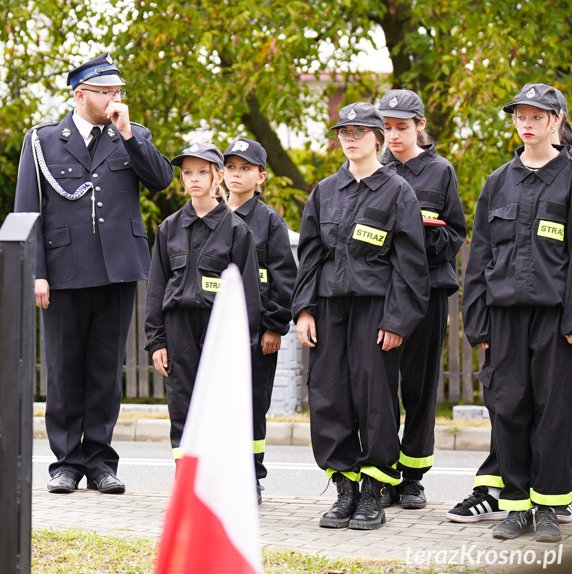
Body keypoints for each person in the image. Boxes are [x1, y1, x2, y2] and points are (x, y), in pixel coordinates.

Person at [13, 53, 173, 495]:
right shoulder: (42, 140)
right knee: (64, 368)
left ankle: (101, 460)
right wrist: (36, 272)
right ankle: (66, 461)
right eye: (105, 92)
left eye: (117, 91)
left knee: (105, 367)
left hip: (117, 270)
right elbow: (28, 208)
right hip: (63, 270)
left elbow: (161, 180)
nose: (113, 99)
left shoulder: (131, 135)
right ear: (81, 94)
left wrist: (127, 133)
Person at [292, 102, 428, 530]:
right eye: (343, 133)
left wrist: (397, 320)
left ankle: (373, 492)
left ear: (378, 138)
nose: (349, 139)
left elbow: (411, 264)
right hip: (330, 309)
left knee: (375, 400)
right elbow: (310, 257)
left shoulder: (396, 192)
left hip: (375, 310)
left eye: (358, 132)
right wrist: (304, 310)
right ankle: (345, 490)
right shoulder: (324, 191)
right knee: (330, 398)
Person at [446, 86, 572, 526]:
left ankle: (550, 507)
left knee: (554, 412)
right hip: (503, 318)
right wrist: (477, 324)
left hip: (555, 318)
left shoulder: (570, 177)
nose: (527, 123)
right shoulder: (497, 182)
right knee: (509, 408)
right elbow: (479, 257)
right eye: (521, 115)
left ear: (556, 120)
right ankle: (516, 508)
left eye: (537, 116)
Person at [144, 143, 261, 468]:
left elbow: (248, 296)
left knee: (218, 406)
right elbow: (156, 290)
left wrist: (242, 347)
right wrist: (157, 342)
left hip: (219, 330)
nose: (193, 179)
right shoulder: (168, 229)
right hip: (178, 329)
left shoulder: (238, 231)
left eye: (202, 172)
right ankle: (187, 481)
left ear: (218, 176)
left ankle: (217, 482)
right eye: (187, 173)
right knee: (181, 405)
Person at [377, 90, 467, 509]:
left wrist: (418, 236)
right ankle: (383, 472)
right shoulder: (370, 170)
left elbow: (454, 236)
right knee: (378, 387)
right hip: (380, 295)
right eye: (387, 127)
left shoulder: (440, 171)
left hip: (428, 294)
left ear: (419, 125)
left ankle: (412, 477)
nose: (393, 135)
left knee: (420, 386)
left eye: (401, 127)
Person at [222, 138, 296, 504]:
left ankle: (251, 475)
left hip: (255, 334)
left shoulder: (269, 221)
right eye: (231, 167)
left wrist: (273, 326)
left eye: (246, 168)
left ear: (261, 177)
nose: (237, 174)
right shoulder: (210, 216)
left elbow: (284, 278)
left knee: (252, 404)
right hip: (213, 335)